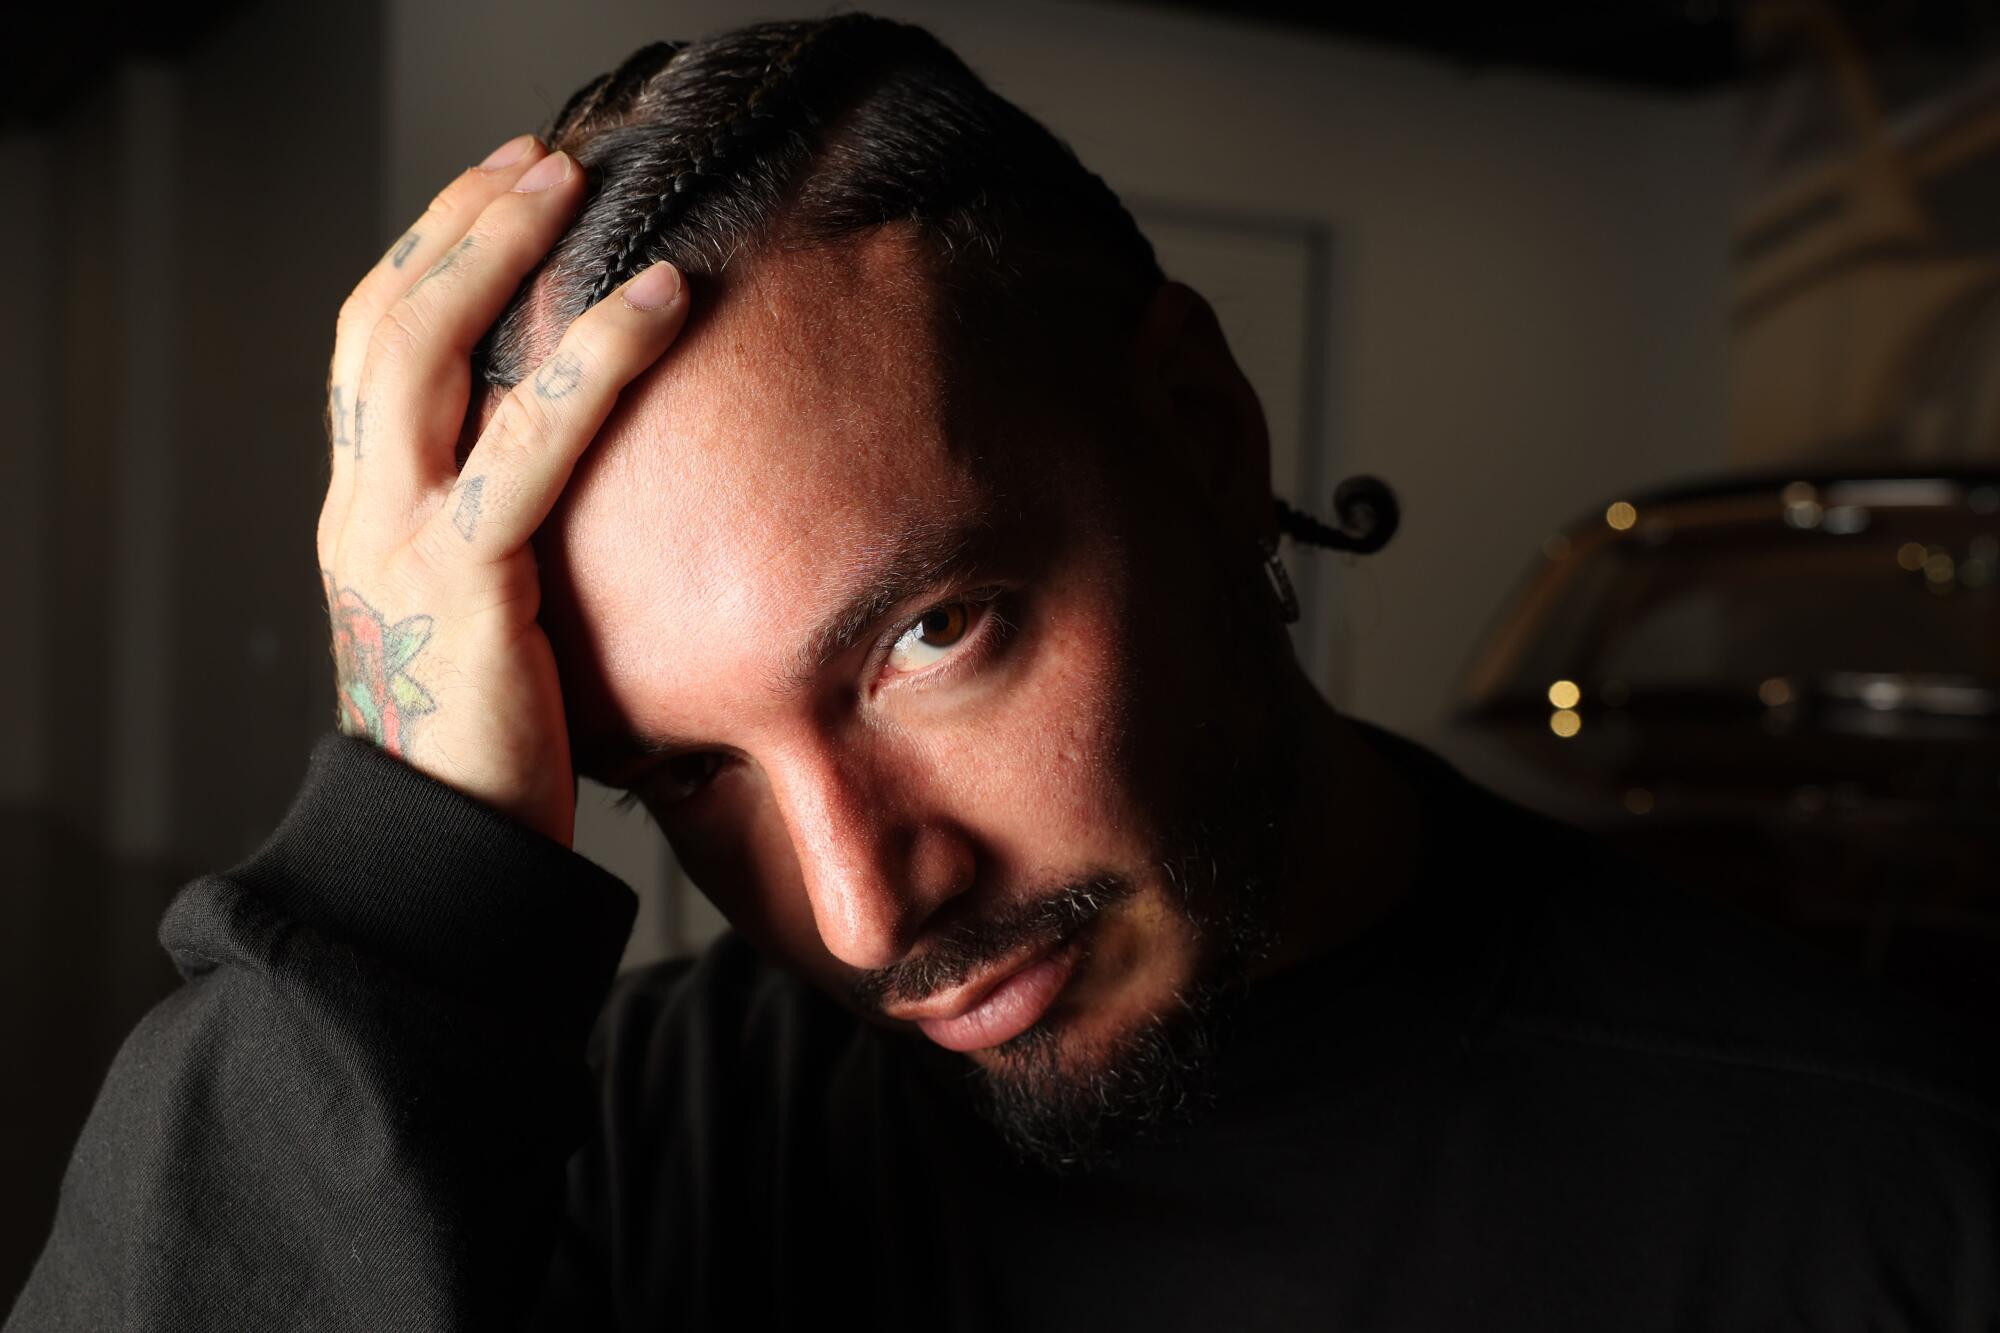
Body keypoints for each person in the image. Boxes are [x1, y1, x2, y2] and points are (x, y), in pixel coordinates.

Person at [8, 13, 1996, 1331]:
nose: (870, 906)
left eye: (926, 636)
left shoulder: (1875, 1193)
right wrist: (399, 865)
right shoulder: (608, 1162)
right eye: (688, 769)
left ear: (1205, 433)